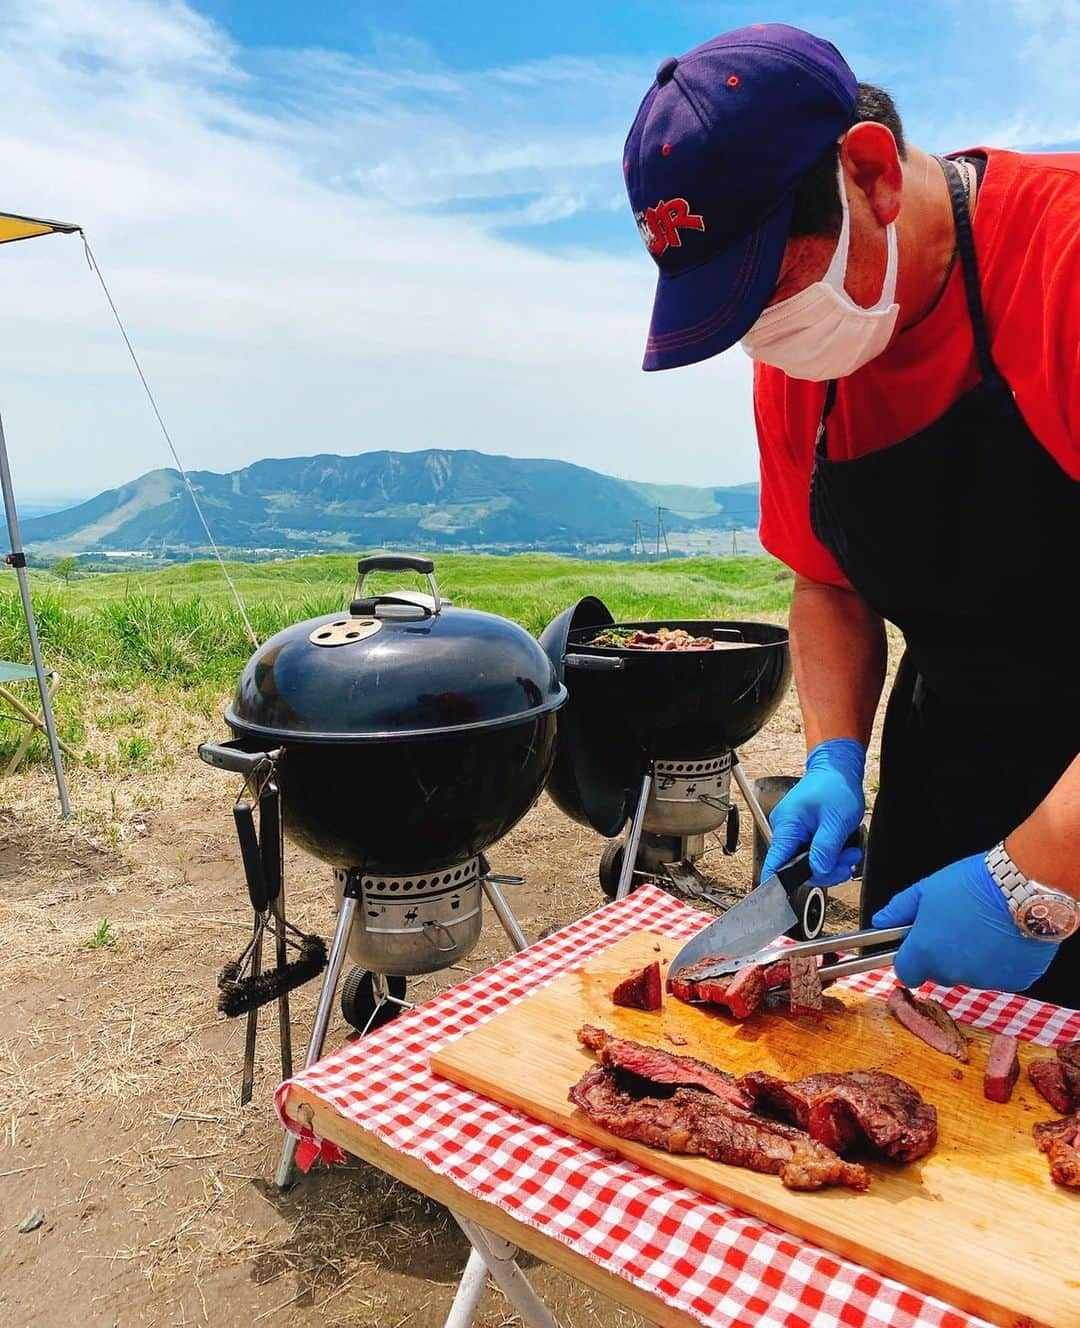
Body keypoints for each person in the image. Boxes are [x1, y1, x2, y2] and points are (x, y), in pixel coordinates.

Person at [622, 23, 1079, 1006]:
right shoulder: (799, 370)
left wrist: (1039, 872)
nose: (764, 342)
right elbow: (825, 581)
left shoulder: (1064, 262)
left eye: (771, 288)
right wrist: (834, 750)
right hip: (949, 778)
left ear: (869, 172)